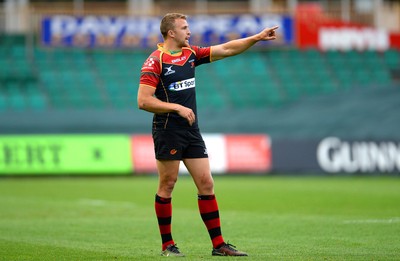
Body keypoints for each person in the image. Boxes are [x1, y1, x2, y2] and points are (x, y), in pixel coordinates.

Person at [137, 13, 278, 257]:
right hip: (168, 130)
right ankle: (167, 245)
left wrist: (256, 37)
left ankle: (219, 245)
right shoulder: (155, 61)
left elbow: (226, 49)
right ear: (171, 33)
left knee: (206, 183)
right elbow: (143, 101)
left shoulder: (190, 54)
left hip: (191, 130)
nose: (189, 32)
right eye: (184, 28)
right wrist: (177, 108)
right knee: (168, 184)